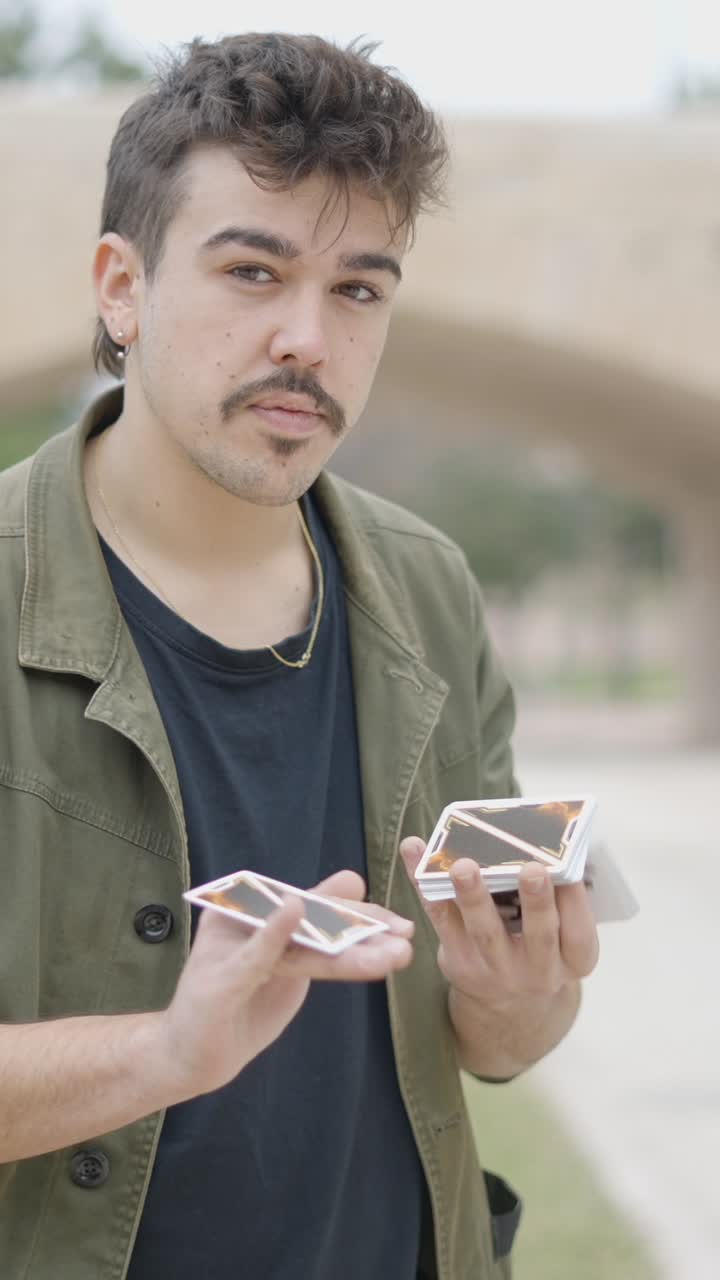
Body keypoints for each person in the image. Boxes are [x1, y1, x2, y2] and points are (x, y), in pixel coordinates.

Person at [0, 32, 599, 1280]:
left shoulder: (429, 587)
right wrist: (168, 1052)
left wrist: (520, 996)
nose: (308, 340)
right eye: (252, 272)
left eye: (358, 290)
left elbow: (487, 1047)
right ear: (122, 285)